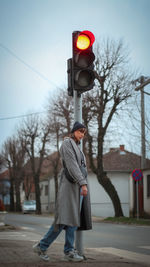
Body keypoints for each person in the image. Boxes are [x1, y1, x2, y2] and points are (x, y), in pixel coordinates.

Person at [33, 121, 92, 262]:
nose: (82, 134)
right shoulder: (67, 143)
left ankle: (69, 251)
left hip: (76, 187)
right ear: (73, 131)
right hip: (70, 187)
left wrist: (82, 184)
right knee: (62, 220)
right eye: (80, 131)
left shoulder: (77, 146)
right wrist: (83, 183)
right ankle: (42, 246)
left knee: (73, 220)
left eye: (84, 132)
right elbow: (72, 166)